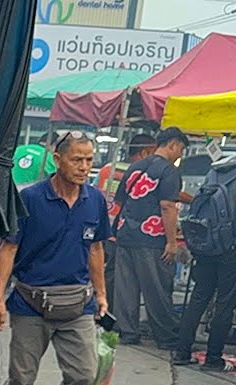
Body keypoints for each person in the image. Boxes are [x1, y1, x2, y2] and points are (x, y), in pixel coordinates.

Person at [0, 132, 109, 385]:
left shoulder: (95, 201)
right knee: (22, 379)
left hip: (77, 305)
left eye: (89, 160)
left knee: (84, 374)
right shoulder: (30, 199)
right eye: (77, 159)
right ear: (58, 159)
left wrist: (101, 294)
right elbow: (8, 249)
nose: (84, 167)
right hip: (30, 304)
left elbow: (96, 249)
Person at [112, 126, 187, 347]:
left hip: (126, 235)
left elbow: (119, 201)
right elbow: (167, 206)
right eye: (180, 149)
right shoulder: (168, 171)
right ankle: (165, 336)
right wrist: (172, 242)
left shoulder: (135, 167)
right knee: (156, 288)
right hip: (152, 238)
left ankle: (127, 333)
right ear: (173, 144)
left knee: (126, 288)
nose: (180, 155)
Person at [173, 156, 236, 370]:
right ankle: (213, 359)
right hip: (230, 249)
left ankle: (181, 353)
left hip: (206, 243)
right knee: (225, 303)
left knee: (199, 297)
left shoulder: (216, 171)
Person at [101, 134, 158, 311]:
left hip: (104, 230)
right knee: (125, 280)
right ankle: (116, 317)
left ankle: (105, 314)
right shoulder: (140, 173)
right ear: (144, 152)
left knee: (108, 276)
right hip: (124, 231)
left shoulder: (107, 169)